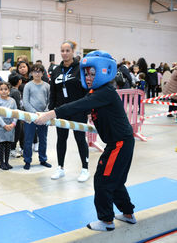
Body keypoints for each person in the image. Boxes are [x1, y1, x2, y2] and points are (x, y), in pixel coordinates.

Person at [35, 50, 136, 232]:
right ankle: (128, 214)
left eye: (93, 74)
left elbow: (78, 105)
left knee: (103, 180)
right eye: (86, 73)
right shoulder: (98, 91)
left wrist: (49, 115)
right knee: (115, 181)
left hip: (119, 144)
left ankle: (106, 221)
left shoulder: (105, 92)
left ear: (104, 72)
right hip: (120, 142)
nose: (88, 78)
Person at [49, 40, 89, 182]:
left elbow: (87, 90)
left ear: (73, 52)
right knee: (61, 139)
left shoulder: (81, 69)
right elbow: (53, 92)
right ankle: (60, 167)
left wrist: (87, 107)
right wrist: (51, 110)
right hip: (61, 111)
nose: (64, 53)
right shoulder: (56, 70)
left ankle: (85, 169)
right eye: (62, 51)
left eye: (67, 51)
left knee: (80, 139)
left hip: (78, 110)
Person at [22, 63, 52, 170]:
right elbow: (25, 102)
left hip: (44, 117)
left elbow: (50, 101)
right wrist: (35, 113)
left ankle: (43, 159)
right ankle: (27, 160)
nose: (37, 73)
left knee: (43, 139)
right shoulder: (28, 85)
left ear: (43, 73)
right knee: (28, 139)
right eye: (35, 71)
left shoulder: (47, 86)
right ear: (31, 73)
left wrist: (45, 113)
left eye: (39, 71)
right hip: (30, 116)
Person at [0, 82, 17, 170]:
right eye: (1, 89)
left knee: (8, 144)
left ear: (9, 90)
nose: (3, 91)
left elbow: (16, 113)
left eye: (5, 89)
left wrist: (13, 124)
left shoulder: (12, 101)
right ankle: (1, 162)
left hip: (11, 126)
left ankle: (7, 162)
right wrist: (4, 125)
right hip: (1, 126)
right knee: (1, 144)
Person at [8, 73, 23, 158]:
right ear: (19, 81)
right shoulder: (16, 92)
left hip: (11, 115)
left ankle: (12, 149)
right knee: (17, 133)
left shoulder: (11, 90)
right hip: (16, 116)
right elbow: (18, 105)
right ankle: (12, 149)